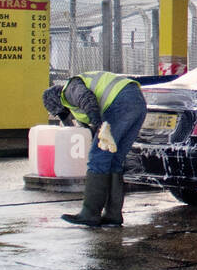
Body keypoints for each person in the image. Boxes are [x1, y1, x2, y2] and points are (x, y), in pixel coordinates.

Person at [42, 71, 147, 226]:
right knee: (114, 158)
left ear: (57, 102)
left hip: (120, 101)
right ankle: (113, 216)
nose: (65, 115)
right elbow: (85, 126)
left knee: (98, 157)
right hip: (137, 101)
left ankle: (89, 214)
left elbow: (88, 100)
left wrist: (99, 125)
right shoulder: (73, 103)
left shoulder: (69, 89)